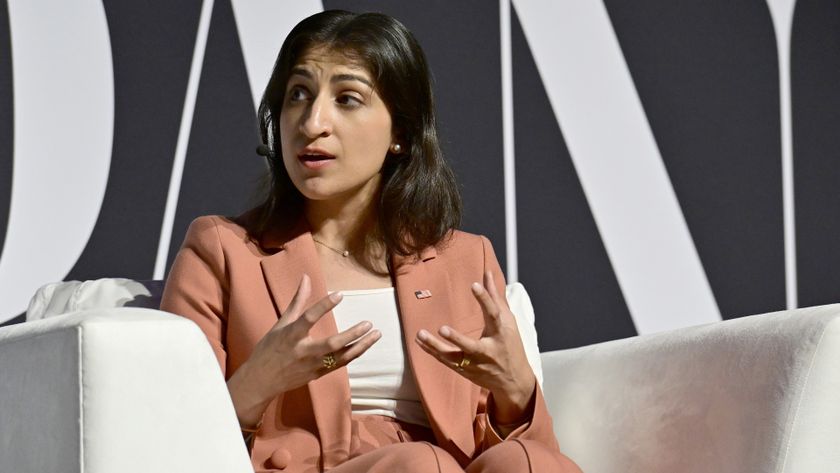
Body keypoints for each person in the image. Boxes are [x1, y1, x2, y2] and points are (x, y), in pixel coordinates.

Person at [161, 10, 582, 473]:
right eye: (298, 94)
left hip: (450, 465)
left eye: (347, 99)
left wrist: (517, 393)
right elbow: (168, 439)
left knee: (525, 463)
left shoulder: (465, 258)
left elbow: (521, 450)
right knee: (420, 465)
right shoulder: (222, 248)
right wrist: (257, 382)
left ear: (399, 132)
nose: (312, 121)